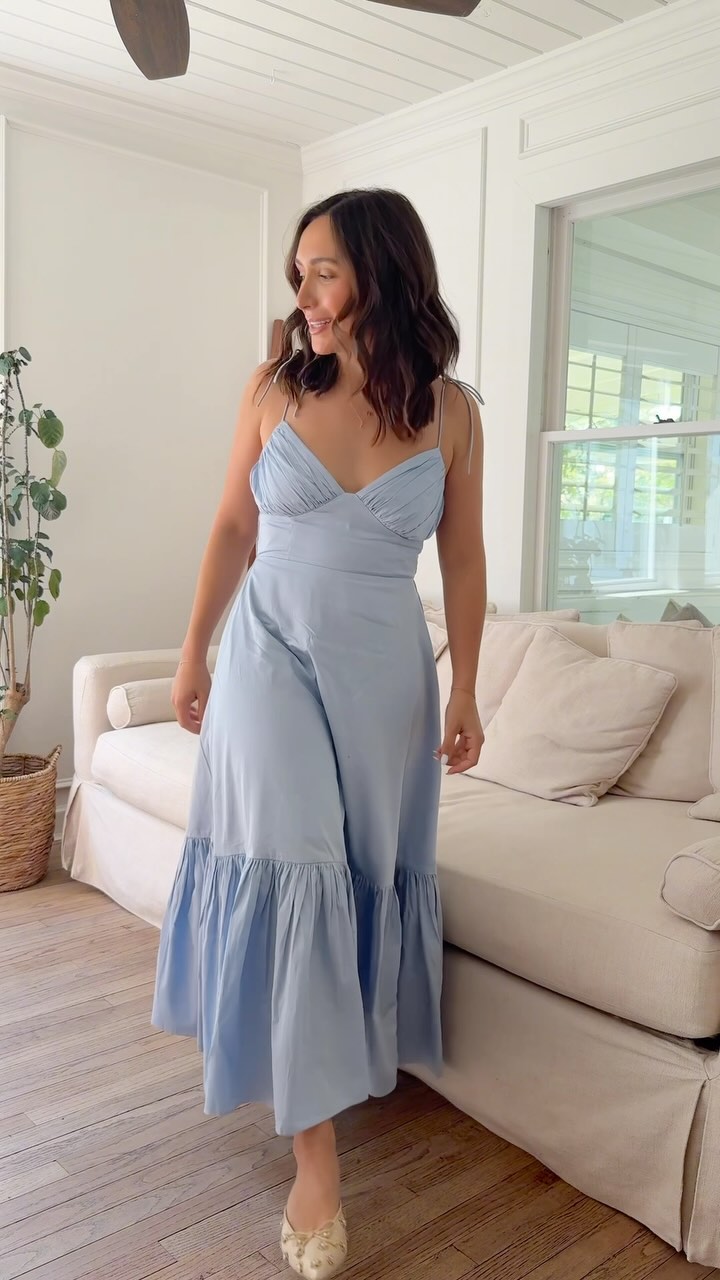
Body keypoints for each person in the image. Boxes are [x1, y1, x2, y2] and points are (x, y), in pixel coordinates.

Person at [152, 187, 487, 1278]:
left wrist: (468, 687)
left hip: (385, 673)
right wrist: (194, 650)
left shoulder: (453, 414)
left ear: (381, 274)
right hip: (268, 656)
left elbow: (465, 559)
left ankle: (325, 1062)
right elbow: (231, 525)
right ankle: (317, 1162)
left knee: (349, 873)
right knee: (295, 864)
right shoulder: (272, 391)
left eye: (323, 271)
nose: (303, 293)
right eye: (298, 274)